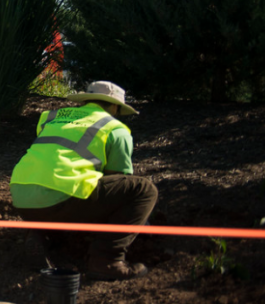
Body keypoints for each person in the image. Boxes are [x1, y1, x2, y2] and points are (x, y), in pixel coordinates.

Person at [9, 81, 157, 281]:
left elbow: (52, 159)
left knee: (59, 193)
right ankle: (107, 260)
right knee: (143, 190)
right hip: (62, 197)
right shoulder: (115, 128)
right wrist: (138, 221)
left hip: (21, 194)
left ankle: (39, 235)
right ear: (114, 106)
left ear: (85, 100)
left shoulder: (50, 118)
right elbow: (118, 179)